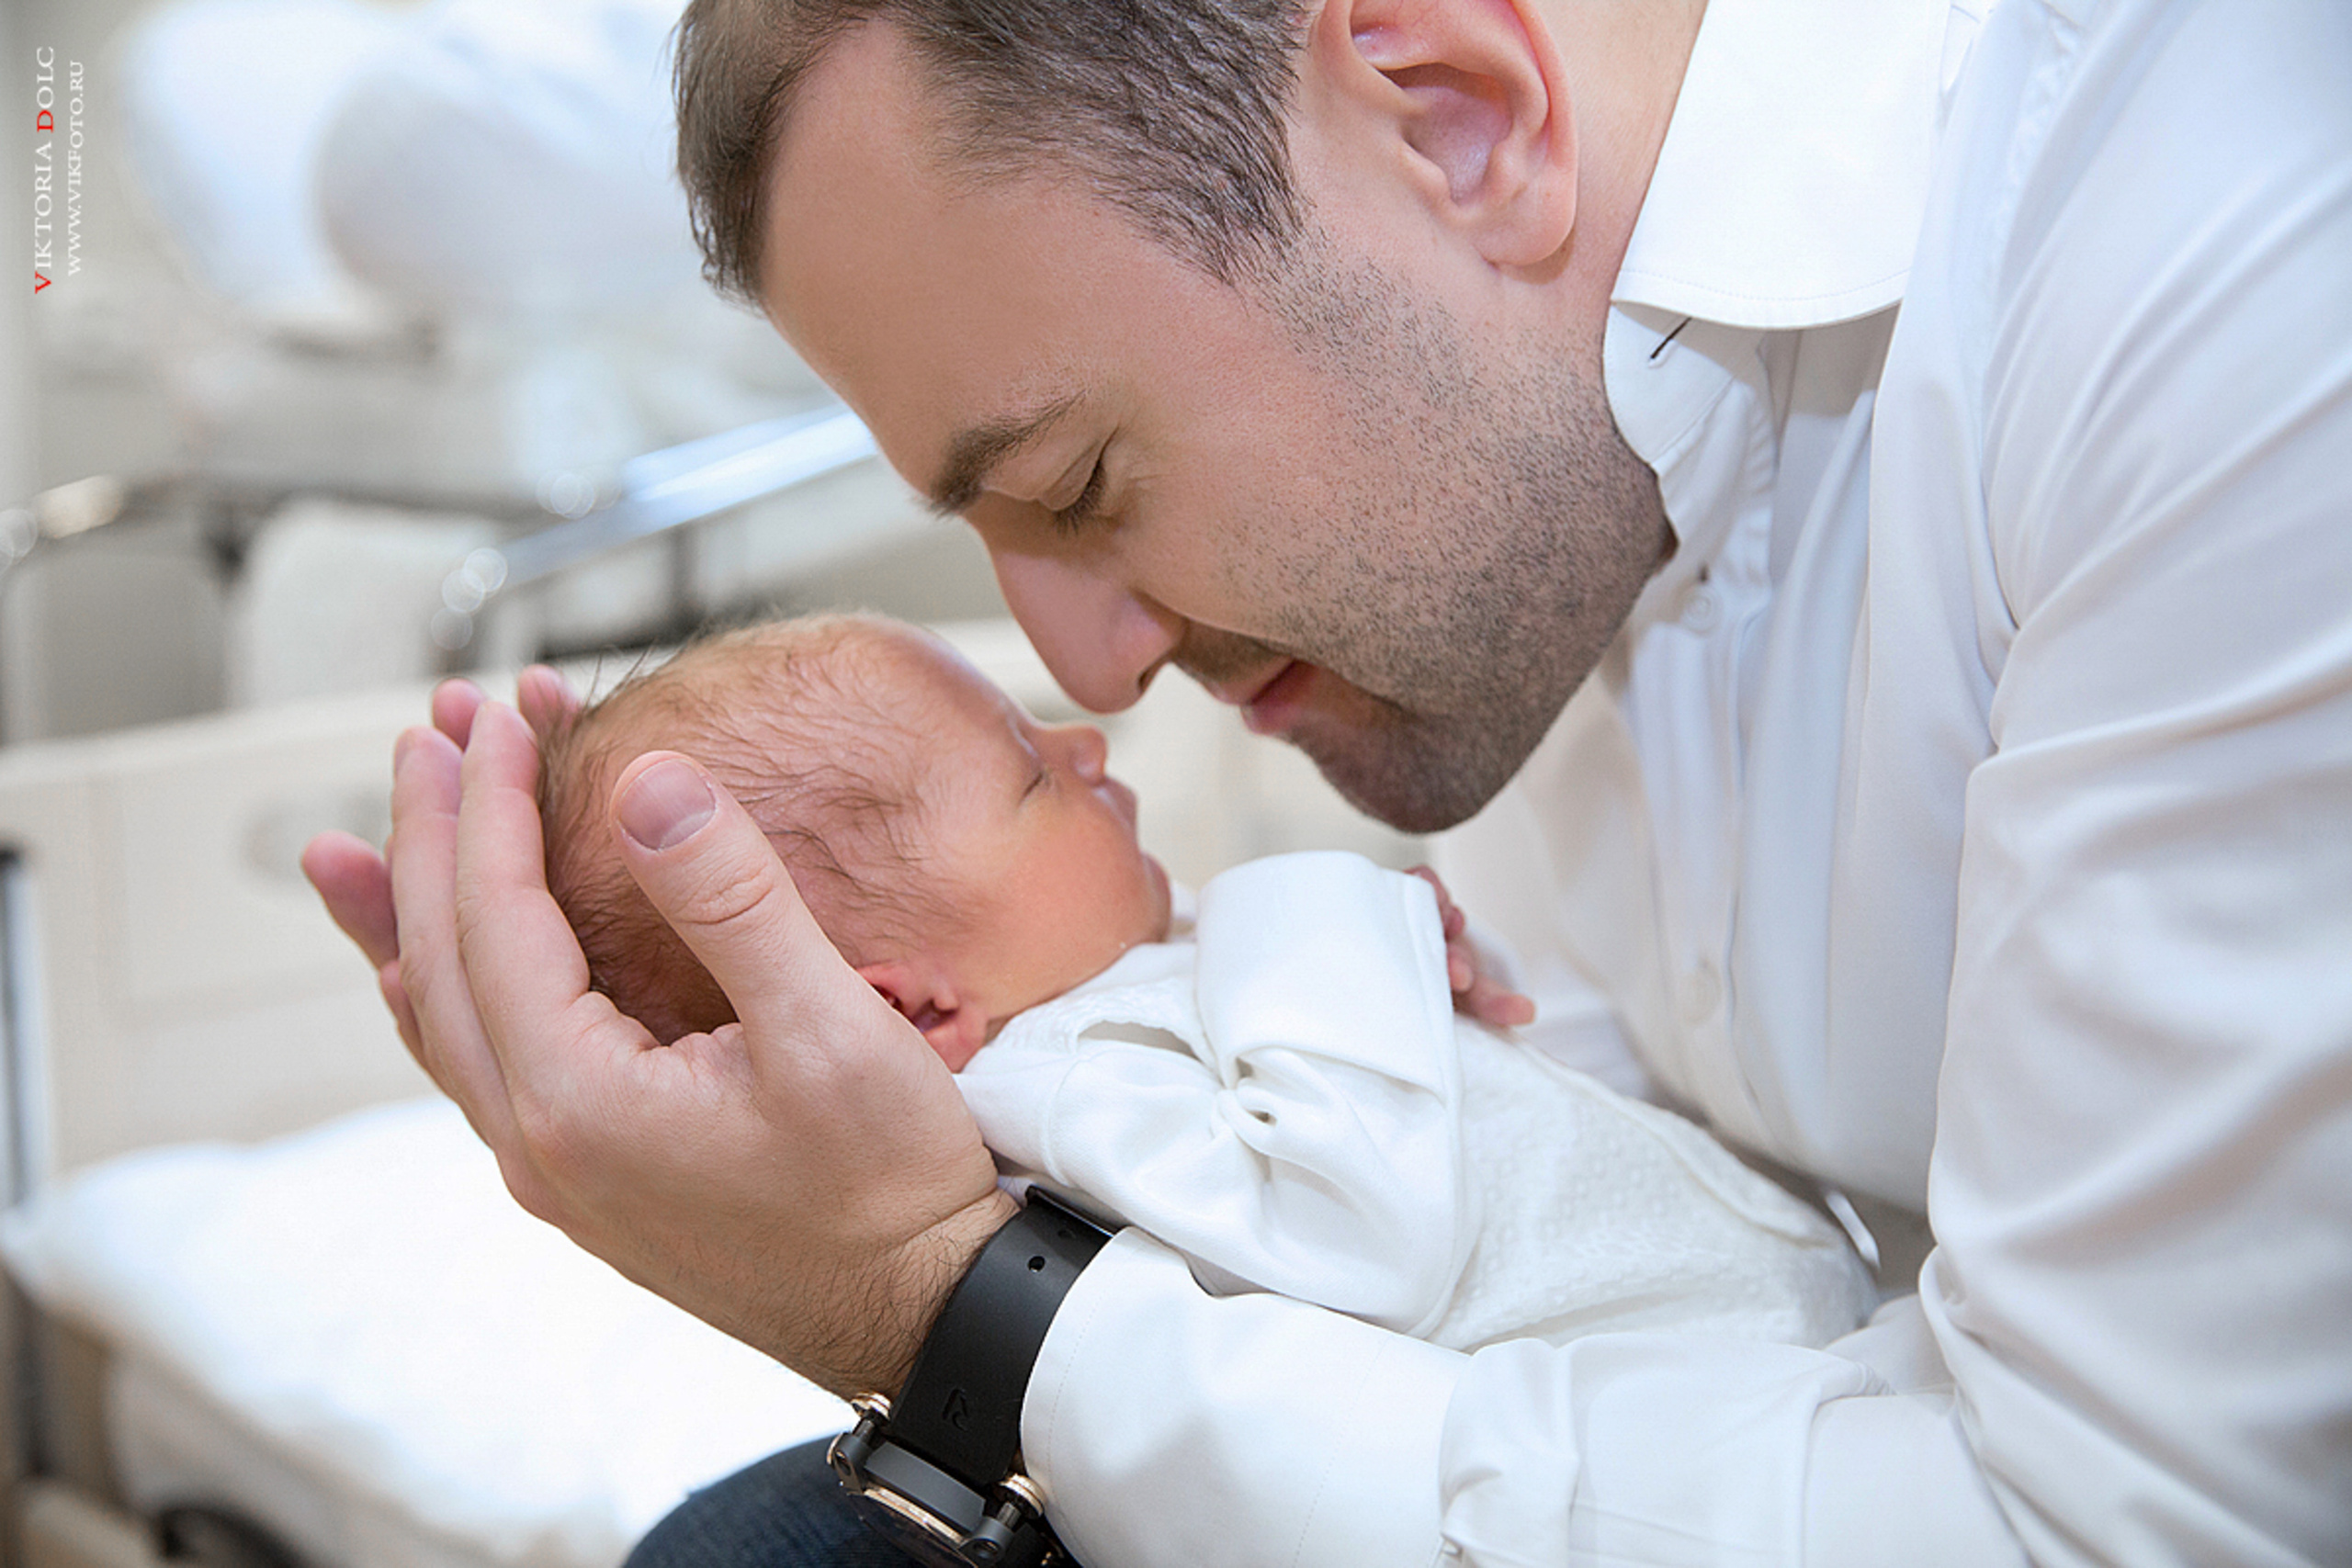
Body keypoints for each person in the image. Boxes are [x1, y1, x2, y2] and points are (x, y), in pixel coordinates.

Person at [301, 0, 2352, 1560]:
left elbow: (2123, 1531)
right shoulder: (1512, 493)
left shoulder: (2223, 283)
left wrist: (948, 1308)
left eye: (1079, 482)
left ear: (1456, 119)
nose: (1092, 668)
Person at [532, 613, 1875, 1361]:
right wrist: (1321, 919)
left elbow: (1471, 1125)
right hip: (1713, 1391)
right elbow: (1360, 1234)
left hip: (1762, 1334)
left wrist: (1415, 978)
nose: (1082, 741)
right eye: (1028, 775)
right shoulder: (1063, 1089)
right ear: (914, 1012)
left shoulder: (1107, 1003)